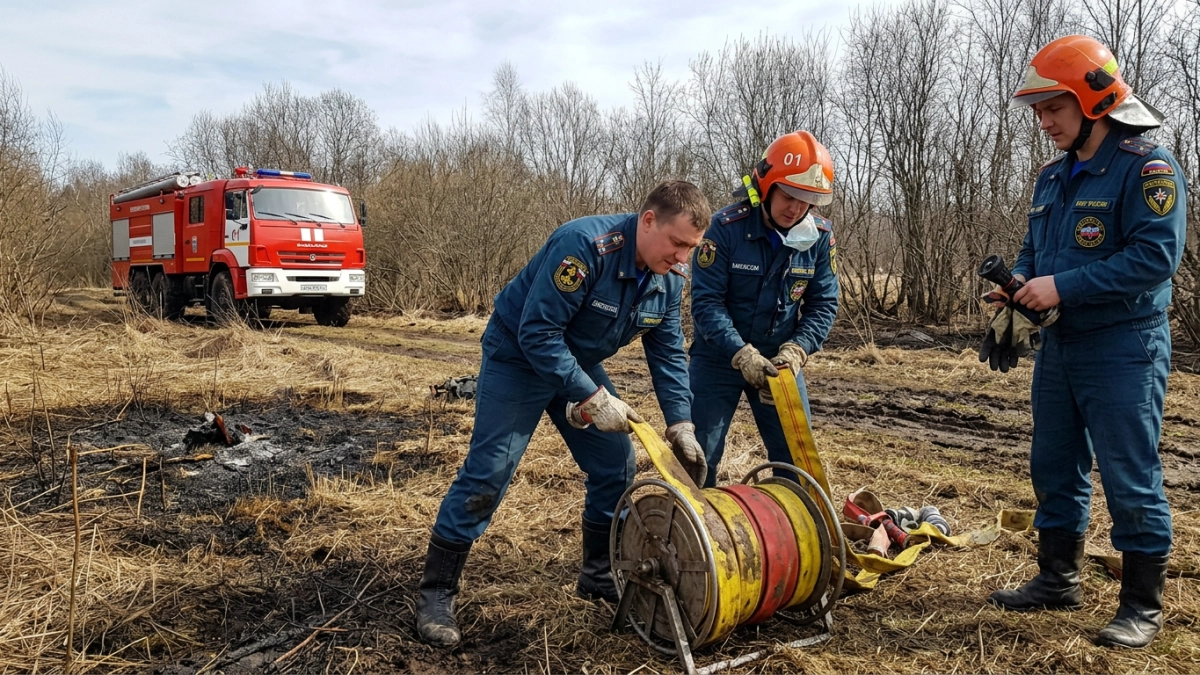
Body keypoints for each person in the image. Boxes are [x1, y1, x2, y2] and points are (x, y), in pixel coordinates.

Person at [415, 181, 711, 648]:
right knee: (490, 471)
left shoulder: (668, 278)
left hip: (577, 363)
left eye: (690, 248)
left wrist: (681, 423)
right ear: (648, 220)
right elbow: (537, 333)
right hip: (519, 356)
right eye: (677, 243)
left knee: (615, 463)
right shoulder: (584, 247)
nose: (682, 258)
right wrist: (590, 396)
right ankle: (436, 593)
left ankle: (597, 575)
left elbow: (669, 352)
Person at [985, 35, 1187, 650]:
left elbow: (1155, 258)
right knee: (1052, 464)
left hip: (1123, 347)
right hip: (1060, 348)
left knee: (1129, 474)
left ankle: (1141, 605)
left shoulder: (1148, 168)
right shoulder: (1052, 177)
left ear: (1094, 101)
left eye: (1054, 108)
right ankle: (1057, 578)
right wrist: (1018, 289)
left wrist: (1061, 286)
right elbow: (1034, 251)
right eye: (1039, 111)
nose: (1044, 122)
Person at [685, 131, 840, 487]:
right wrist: (741, 353)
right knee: (698, 457)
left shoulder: (819, 238)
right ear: (766, 187)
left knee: (795, 460)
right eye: (789, 196)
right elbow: (706, 303)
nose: (796, 209)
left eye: (807, 200)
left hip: (779, 361)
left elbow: (823, 303)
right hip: (718, 357)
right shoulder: (724, 229)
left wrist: (798, 349)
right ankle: (690, 519)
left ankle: (790, 518)